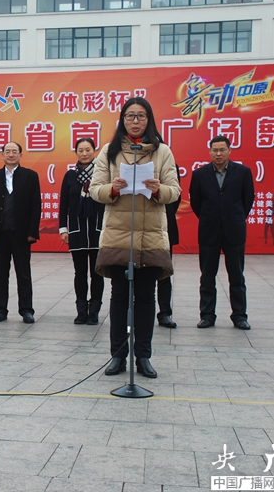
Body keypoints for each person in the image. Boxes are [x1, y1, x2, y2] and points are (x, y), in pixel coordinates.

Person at [90, 97, 181, 379]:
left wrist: (158, 189)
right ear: (122, 120)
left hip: (151, 235)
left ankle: (143, 356)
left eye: (141, 116)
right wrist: (112, 188)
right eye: (130, 116)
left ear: (149, 119)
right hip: (118, 234)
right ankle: (118, 356)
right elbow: (94, 189)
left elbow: (175, 190)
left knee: (145, 298)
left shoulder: (162, 151)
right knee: (119, 296)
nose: (135, 121)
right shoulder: (109, 151)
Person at [190, 135, 254, 330]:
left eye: (222, 150)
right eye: (215, 150)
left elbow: (247, 200)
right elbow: (196, 202)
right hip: (209, 230)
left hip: (234, 230)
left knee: (237, 276)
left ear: (229, 151)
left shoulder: (242, 172)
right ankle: (207, 316)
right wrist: (210, 217)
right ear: (210, 152)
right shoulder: (200, 174)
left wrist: (234, 217)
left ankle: (240, 316)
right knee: (207, 277)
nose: (218, 153)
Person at [0, 142, 41, 324]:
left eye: (14, 151)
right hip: (0, 232)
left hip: (21, 233)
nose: (11, 154)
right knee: (0, 273)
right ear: (2, 155)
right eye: (7, 151)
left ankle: (26, 310)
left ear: (20, 155)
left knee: (23, 273)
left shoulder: (30, 176)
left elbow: (36, 205)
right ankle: (0, 310)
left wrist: (32, 231)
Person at [59, 138, 105, 325]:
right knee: (80, 273)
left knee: (97, 272)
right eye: (80, 150)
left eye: (88, 149)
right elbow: (64, 204)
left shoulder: (102, 174)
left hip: (97, 230)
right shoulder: (70, 175)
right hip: (76, 230)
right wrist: (63, 228)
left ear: (94, 150)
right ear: (76, 152)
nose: (84, 153)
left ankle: (94, 311)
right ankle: (81, 311)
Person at [157, 164, 181, 329]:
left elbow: (175, 196)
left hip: (164, 225)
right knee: (138, 273)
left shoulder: (169, 165)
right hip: (137, 227)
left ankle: (165, 312)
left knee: (163, 273)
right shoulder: (132, 162)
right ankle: (139, 311)